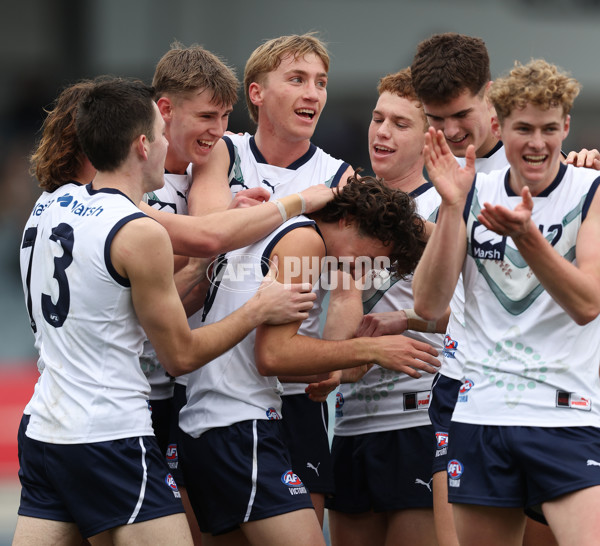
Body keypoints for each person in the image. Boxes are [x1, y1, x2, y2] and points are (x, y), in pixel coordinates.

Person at [13, 77, 318, 545]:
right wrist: (258, 308)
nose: (165, 145)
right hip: (110, 434)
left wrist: (199, 266)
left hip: (44, 432)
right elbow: (181, 355)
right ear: (140, 145)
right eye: (159, 134)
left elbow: (116, 303)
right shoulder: (137, 230)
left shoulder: (49, 204)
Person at [179, 176, 441, 545]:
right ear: (349, 219)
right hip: (238, 426)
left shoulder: (279, 227)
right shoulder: (306, 240)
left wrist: (336, 366)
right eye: (369, 255)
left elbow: (268, 351)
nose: (364, 268)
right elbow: (273, 354)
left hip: (212, 426)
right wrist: (373, 350)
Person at [412, 59, 600, 546]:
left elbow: (587, 304)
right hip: (482, 414)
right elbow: (429, 304)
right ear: (500, 125)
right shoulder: (469, 190)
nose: (537, 142)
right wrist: (453, 207)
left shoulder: (591, 190)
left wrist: (528, 236)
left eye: (549, 128)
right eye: (523, 128)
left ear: (566, 127)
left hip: (565, 414)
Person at [187, 33, 357, 526]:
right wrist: (294, 207)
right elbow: (209, 233)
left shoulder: (338, 176)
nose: (313, 93)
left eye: (321, 83)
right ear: (257, 93)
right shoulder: (224, 150)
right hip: (216, 387)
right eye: (297, 79)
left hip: (292, 394)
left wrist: (335, 358)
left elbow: (348, 284)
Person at [326, 68, 445, 546]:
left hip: (417, 419)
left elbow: (479, 311)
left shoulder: (445, 207)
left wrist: (409, 319)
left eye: (400, 123)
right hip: (350, 420)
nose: (382, 132)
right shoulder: (346, 207)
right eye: (378, 118)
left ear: (430, 136)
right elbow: (337, 331)